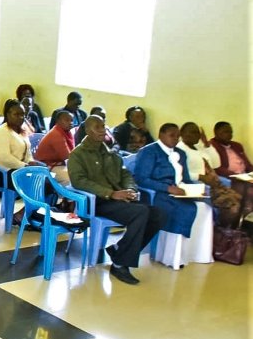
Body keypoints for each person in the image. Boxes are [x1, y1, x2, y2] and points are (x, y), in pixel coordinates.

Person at [68, 116, 165, 285]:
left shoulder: (110, 152)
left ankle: (119, 249)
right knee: (141, 213)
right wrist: (110, 193)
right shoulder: (78, 154)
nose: (103, 129)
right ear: (88, 131)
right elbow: (79, 181)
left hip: (118, 198)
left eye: (104, 126)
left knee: (159, 214)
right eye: (98, 127)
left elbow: (125, 174)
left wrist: (130, 190)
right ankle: (120, 264)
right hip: (98, 202)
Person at [133, 123, 213, 268]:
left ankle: (196, 254)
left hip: (179, 191)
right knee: (185, 210)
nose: (176, 139)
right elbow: (141, 179)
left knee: (205, 208)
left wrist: (195, 190)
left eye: (177, 136)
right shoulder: (149, 152)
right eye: (172, 135)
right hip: (159, 193)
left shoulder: (180, 153)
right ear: (161, 135)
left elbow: (186, 178)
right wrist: (168, 188)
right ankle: (172, 257)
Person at [0, 99, 44, 224]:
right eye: (17, 114)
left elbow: (28, 151)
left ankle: (27, 214)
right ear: (8, 114)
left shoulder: (22, 130)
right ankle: (23, 216)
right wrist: (25, 166)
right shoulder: (1, 132)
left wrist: (30, 162)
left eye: (23, 114)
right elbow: (5, 157)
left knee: (46, 178)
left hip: (19, 168)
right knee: (38, 183)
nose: (21, 117)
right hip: (2, 172)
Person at [177, 122, 240, 224]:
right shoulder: (180, 149)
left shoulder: (199, 147)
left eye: (198, 132)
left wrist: (207, 145)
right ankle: (214, 223)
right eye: (192, 132)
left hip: (212, 180)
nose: (196, 135)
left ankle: (224, 226)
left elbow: (216, 164)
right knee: (224, 200)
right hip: (195, 182)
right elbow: (181, 173)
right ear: (183, 134)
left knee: (232, 197)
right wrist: (200, 177)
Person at [35, 110, 74, 185]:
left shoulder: (66, 132)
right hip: (46, 166)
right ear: (58, 121)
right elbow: (67, 157)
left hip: (58, 163)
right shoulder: (56, 134)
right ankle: (62, 196)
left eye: (72, 120)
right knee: (70, 177)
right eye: (67, 120)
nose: (70, 123)